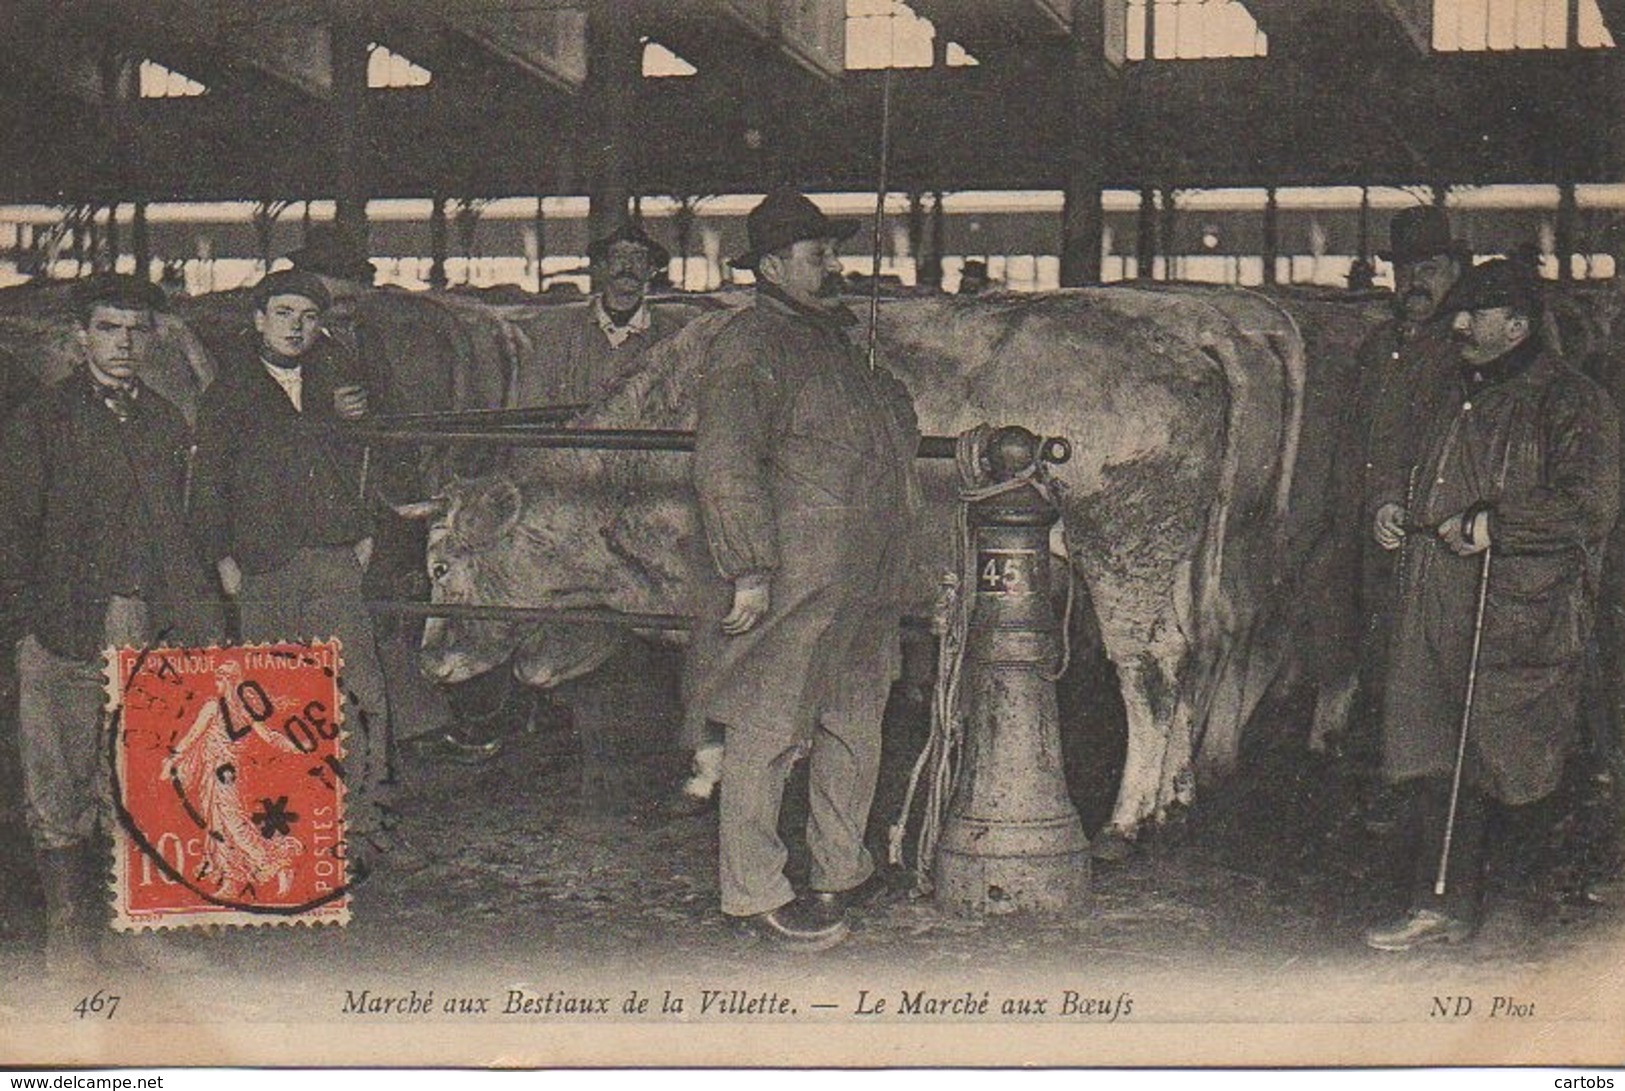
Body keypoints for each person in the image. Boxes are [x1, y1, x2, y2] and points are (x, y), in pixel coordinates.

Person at [685, 188, 920, 950]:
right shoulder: (749, 345)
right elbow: (724, 464)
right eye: (821, 256)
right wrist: (748, 569)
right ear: (774, 265)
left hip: (863, 572)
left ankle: (839, 866)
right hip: (796, 572)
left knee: (855, 716)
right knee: (767, 723)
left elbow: (890, 433)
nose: (835, 267)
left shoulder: (833, 342)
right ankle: (752, 889)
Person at [1363, 258, 1620, 950]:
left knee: (1511, 757)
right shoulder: (1449, 387)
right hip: (1436, 598)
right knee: (1430, 751)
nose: (1457, 324)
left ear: (1517, 323)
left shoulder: (1571, 401)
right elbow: (1397, 451)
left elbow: (1589, 506)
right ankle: (1437, 904)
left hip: (1516, 608)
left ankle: (1513, 910)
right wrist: (1391, 500)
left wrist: (1493, 525)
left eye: (1473, 315)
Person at [0, 274, 222, 971]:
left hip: (140, 614)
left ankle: (139, 917)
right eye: (108, 328)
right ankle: (68, 927)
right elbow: (11, 528)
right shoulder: (42, 420)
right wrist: (23, 622)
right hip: (63, 619)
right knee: (57, 773)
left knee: (137, 767)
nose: (123, 343)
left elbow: (179, 532)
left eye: (135, 330)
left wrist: (194, 618)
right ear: (80, 337)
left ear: (152, 338)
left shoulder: (163, 420)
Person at [190, 269, 403, 878]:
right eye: (283, 313)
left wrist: (361, 530)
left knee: (359, 690)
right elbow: (207, 488)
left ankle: (366, 826)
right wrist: (225, 560)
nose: (295, 326)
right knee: (274, 697)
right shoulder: (226, 394)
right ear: (258, 320)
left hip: (332, 559)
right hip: (265, 564)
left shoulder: (335, 387)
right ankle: (284, 833)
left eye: (308, 317)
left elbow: (362, 461)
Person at [1320, 207, 1470, 811]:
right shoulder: (1381, 344)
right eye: (1405, 268)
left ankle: (1414, 788)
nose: (1415, 282)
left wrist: (1406, 505)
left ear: (1457, 270)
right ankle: (1375, 775)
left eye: (1430, 268)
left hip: (1424, 525)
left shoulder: (1462, 348)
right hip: (1366, 522)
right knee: (1365, 641)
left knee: (1417, 654)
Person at [507, 221, 682, 409]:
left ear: (650, 270)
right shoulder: (561, 331)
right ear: (602, 266)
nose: (627, 264)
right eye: (618, 255)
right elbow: (534, 399)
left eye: (638, 257)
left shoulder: (671, 334)